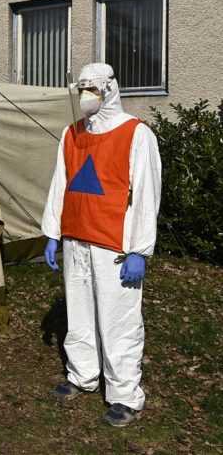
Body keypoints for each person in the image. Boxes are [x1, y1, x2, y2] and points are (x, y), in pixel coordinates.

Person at [41, 63, 161, 428]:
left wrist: (139, 249)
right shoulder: (72, 133)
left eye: (92, 89)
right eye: (82, 88)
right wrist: (52, 231)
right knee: (78, 314)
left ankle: (125, 394)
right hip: (77, 238)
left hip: (114, 245)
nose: (85, 96)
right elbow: (61, 182)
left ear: (110, 88)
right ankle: (82, 374)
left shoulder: (136, 135)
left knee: (118, 319)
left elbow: (145, 194)